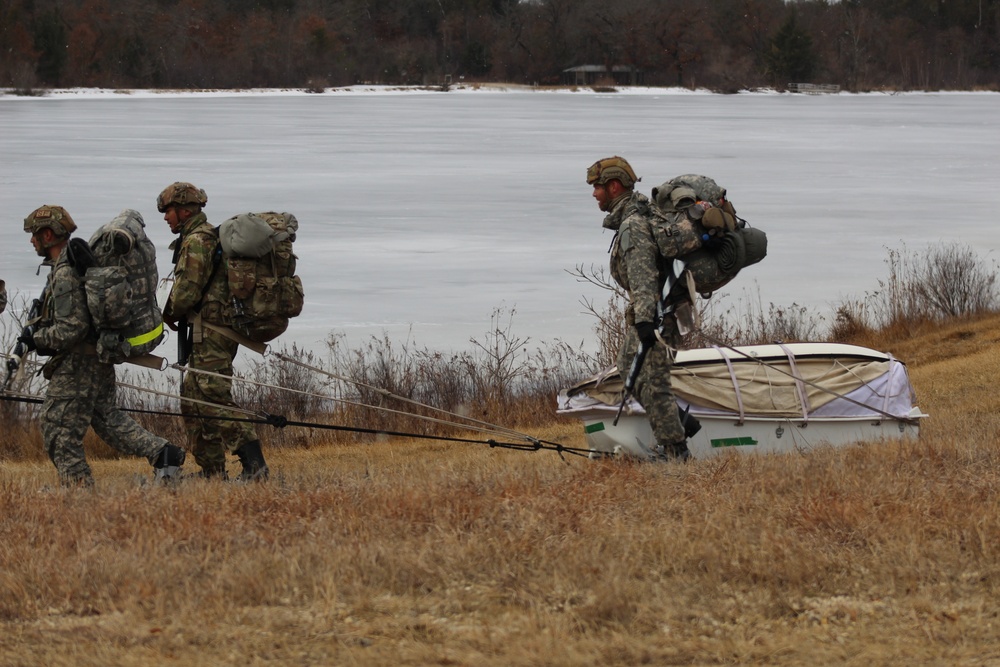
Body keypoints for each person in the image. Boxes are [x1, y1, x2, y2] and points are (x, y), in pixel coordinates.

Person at [20, 205, 186, 486]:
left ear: (47, 234)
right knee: (105, 418)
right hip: (98, 355)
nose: (31, 241)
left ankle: (78, 488)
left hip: (79, 363)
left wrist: (35, 340)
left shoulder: (66, 272)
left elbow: (72, 328)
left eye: (34, 235)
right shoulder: (77, 260)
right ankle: (163, 454)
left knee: (58, 426)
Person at [157, 182, 268, 481]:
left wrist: (166, 314)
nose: (166, 218)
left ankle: (255, 466)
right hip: (204, 329)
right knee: (193, 397)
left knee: (212, 395)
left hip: (213, 332)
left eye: (168, 212)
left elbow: (186, 291)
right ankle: (212, 471)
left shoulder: (197, 241)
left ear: (183, 210)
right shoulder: (200, 237)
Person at [587, 157, 692, 461]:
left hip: (659, 313)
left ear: (614, 186)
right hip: (655, 310)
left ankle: (676, 452)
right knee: (629, 369)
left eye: (597, 187)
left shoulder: (633, 224)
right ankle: (678, 428)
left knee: (653, 380)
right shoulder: (635, 215)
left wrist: (647, 323)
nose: (594, 194)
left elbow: (644, 275)